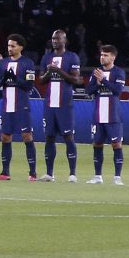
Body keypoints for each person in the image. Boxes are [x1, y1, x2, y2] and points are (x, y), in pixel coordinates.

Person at [0, 34, 38, 181]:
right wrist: (5, 77)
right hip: (6, 106)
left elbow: (29, 85)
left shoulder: (28, 63)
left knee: (27, 136)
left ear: (21, 47)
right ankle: (5, 172)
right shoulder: (3, 63)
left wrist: (15, 79)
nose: (10, 48)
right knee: (5, 137)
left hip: (21, 106)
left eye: (13, 46)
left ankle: (32, 173)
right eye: (9, 46)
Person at [41, 29, 83, 184]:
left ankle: (72, 173)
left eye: (57, 38)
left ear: (64, 40)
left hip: (65, 104)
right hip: (49, 104)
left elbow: (75, 79)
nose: (54, 41)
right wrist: (48, 73)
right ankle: (49, 173)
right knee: (49, 137)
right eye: (53, 38)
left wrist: (58, 71)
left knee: (68, 137)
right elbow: (41, 80)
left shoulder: (72, 57)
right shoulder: (47, 57)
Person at [87, 45, 127, 185]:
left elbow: (117, 91)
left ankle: (117, 177)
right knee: (97, 144)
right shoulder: (96, 72)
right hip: (98, 115)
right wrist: (97, 84)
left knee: (116, 145)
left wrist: (103, 80)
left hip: (113, 116)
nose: (102, 57)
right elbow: (88, 91)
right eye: (101, 54)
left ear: (113, 57)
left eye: (105, 55)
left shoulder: (119, 73)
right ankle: (98, 176)